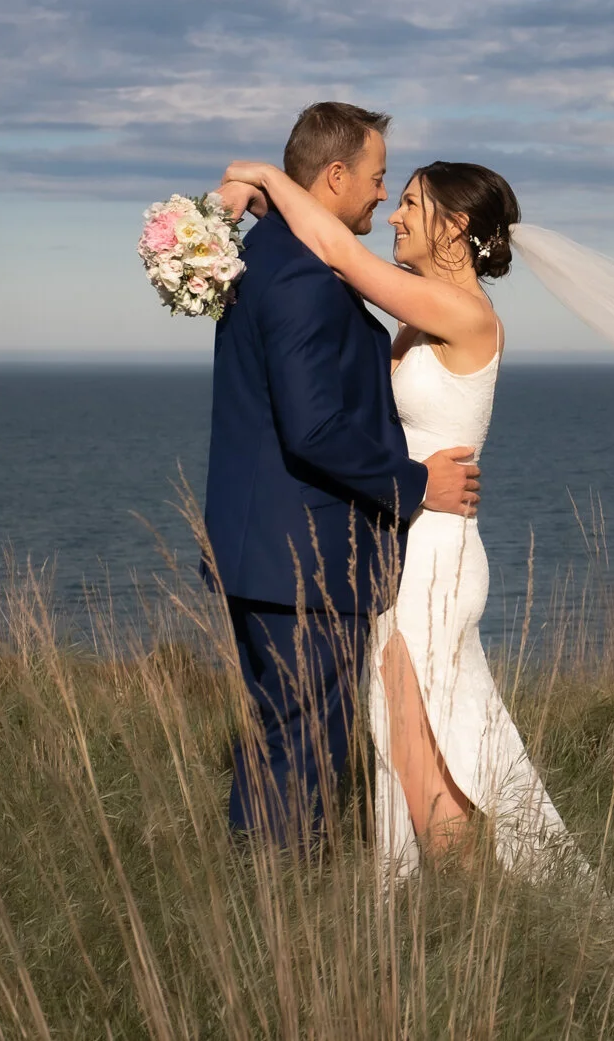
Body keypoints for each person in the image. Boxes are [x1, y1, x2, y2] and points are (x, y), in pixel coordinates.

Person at [217, 145, 614, 944]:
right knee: (433, 747)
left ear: (455, 226)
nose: (395, 213)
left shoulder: (467, 313)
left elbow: (340, 254)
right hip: (417, 541)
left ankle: (476, 928)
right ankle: (491, 921)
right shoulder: (422, 311)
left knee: (414, 749)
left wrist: (273, 181)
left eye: (412, 202)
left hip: (435, 556)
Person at [202, 102, 480, 847]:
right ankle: (277, 912)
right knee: (305, 750)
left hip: (258, 548)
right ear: (334, 175)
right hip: (305, 559)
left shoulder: (263, 252)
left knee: (279, 735)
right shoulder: (306, 278)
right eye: (378, 177)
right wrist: (419, 486)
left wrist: (255, 186)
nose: (382, 196)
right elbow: (316, 427)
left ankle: (250, 891)